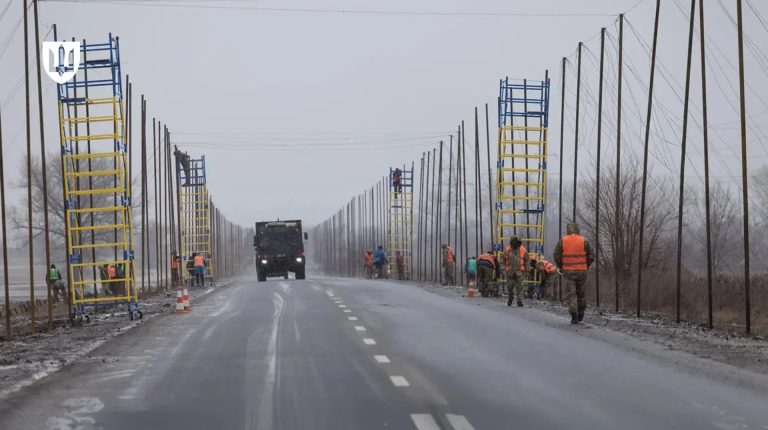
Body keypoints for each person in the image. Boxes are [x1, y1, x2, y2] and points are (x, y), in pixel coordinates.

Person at [554, 222, 594, 324]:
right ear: (577, 229)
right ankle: (581, 312)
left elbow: (556, 255)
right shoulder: (584, 240)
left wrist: (562, 266)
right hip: (582, 271)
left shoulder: (562, 241)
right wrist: (586, 265)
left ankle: (574, 315)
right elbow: (591, 255)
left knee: (571, 294)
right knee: (581, 292)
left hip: (568, 271)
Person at [504, 237, 528, 307]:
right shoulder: (507, 249)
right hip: (510, 272)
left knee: (519, 287)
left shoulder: (523, 250)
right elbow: (503, 260)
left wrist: (527, 271)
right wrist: (503, 269)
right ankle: (510, 297)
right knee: (509, 287)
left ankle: (519, 300)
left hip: (520, 272)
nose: (515, 243)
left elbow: (527, 261)